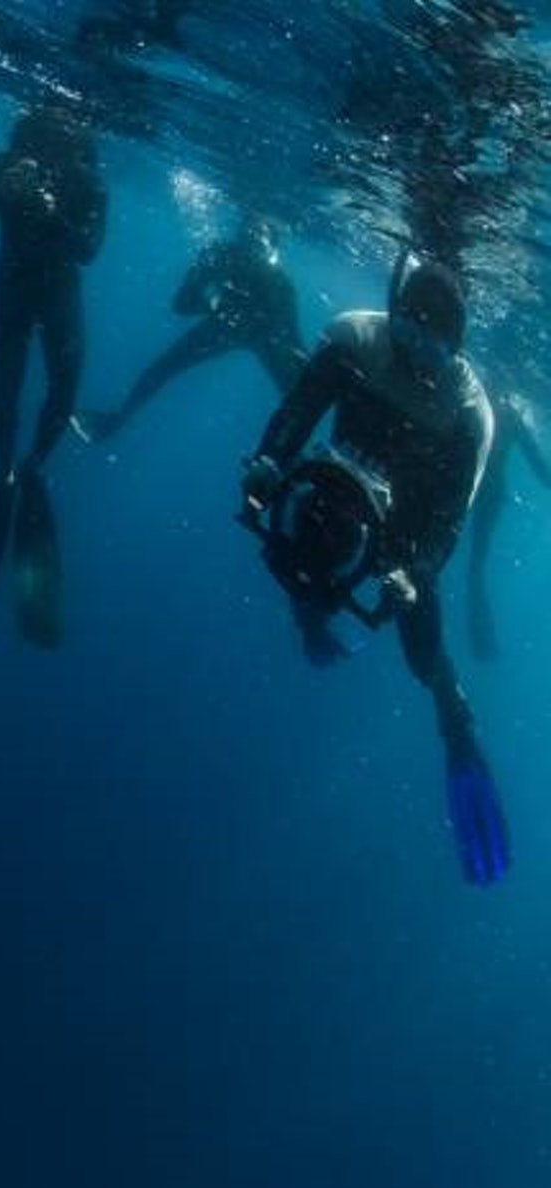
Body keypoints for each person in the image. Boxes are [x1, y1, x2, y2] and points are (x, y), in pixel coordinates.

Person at [240, 257, 508, 884]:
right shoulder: (356, 338)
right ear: (393, 316)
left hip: (405, 533)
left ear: (457, 347)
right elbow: (298, 410)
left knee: (421, 648)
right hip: (336, 490)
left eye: (432, 345)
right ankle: (313, 621)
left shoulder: (470, 412)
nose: (415, 355)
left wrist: (416, 573)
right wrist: (267, 462)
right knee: (304, 550)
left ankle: (455, 718)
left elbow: (448, 522)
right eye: (407, 332)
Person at [0, 107, 108, 646]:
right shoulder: (0, 163)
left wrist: (51, 211)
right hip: (12, 288)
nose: (55, 139)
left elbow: (88, 250)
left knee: (63, 394)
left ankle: (34, 463)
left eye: (66, 132)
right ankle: (6, 471)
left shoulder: (90, 182)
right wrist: (1, 192)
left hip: (59, 294)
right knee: (6, 390)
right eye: (46, 130)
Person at [78, 217, 304, 443]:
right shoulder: (220, 255)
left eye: (257, 243)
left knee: (298, 389)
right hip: (226, 326)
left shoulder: (280, 284)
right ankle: (114, 422)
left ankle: (292, 446)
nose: (250, 247)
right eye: (246, 238)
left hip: (258, 333)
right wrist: (209, 303)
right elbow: (181, 304)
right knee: (162, 368)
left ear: (272, 250)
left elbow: (293, 341)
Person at [467, 386, 551, 659]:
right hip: (484, 492)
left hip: (463, 486)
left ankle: (482, 640)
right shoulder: (509, 414)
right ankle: (482, 640)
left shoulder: (472, 400)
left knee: (470, 564)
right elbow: (539, 467)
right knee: (475, 566)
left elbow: (541, 469)